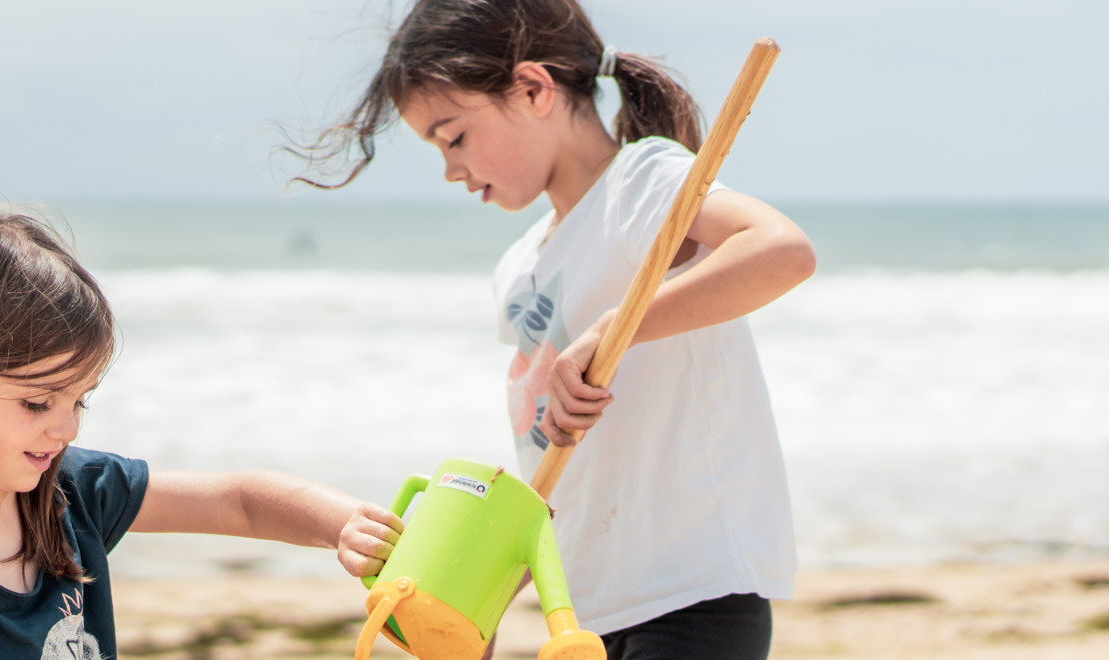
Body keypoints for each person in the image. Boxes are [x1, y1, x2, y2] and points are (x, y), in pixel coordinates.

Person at [292, 1, 816, 657]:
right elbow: (552, 475)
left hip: (693, 591)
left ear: (534, 89)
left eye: (453, 137)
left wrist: (611, 330)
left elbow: (780, 251)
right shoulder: (520, 269)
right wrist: (479, 600)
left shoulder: (640, 182)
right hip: (589, 613)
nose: (451, 169)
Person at [0, 209, 404, 659]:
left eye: (80, 400)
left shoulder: (70, 493)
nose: (66, 426)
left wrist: (345, 525)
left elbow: (237, 501)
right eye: (36, 402)